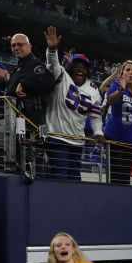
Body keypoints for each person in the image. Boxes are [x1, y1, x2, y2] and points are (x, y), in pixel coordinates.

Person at [42, 26, 102, 180]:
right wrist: (52, 49)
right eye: (76, 66)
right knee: (59, 178)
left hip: (77, 142)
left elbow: (95, 115)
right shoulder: (61, 76)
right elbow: (52, 64)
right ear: (70, 67)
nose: (80, 69)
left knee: (75, 181)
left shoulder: (93, 89)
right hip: (57, 137)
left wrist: (98, 132)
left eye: (84, 67)